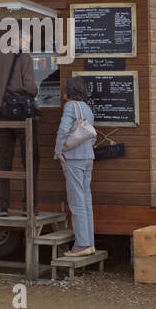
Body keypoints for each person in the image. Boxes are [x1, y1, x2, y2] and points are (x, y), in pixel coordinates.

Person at [0, 32, 39, 216]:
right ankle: (28, 206)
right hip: (21, 118)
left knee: (3, 161)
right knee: (30, 160)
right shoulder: (23, 57)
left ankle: (1, 205)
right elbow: (31, 87)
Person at [54, 76, 96, 257]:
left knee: (76, 202)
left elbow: (64, 130)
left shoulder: (70, 106)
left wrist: (58, 150)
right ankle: (89, 243)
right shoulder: (87, 108)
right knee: (86, 201)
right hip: (88, 157)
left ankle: (81, 244)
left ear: (67, 92)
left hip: (74, 158)